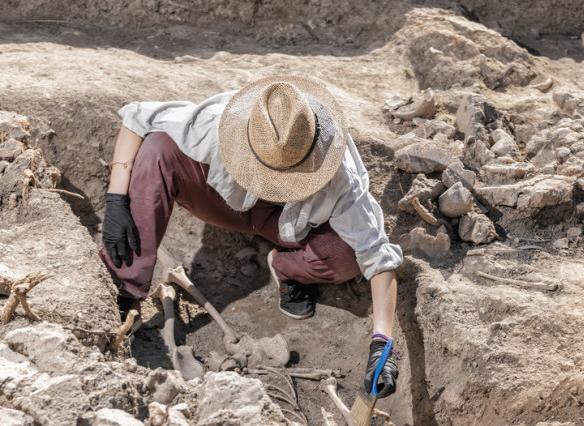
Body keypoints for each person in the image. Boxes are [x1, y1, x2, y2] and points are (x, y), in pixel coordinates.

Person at [101, 75, 402, 398]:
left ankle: (287, 268)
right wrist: (116, 199)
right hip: (222, 203)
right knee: (159, 148)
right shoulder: (220, 122)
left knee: (346, 255)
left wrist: (381, 345)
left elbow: (377, 255)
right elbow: (136, 117)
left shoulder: (340, 174)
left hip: (292, 226)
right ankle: (124, 296)